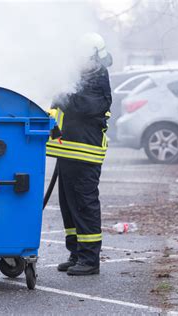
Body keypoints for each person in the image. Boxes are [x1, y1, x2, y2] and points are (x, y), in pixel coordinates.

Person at [46, 33, 113, 276]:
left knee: (84, 206)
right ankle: (76, 253)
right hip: (68, 151)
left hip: (85, 153)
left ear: (94, 56)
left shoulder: (97, 78)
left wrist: (61, 96)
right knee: (69, 205)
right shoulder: (81, 75)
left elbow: (84, 107)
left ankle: (89, 258)